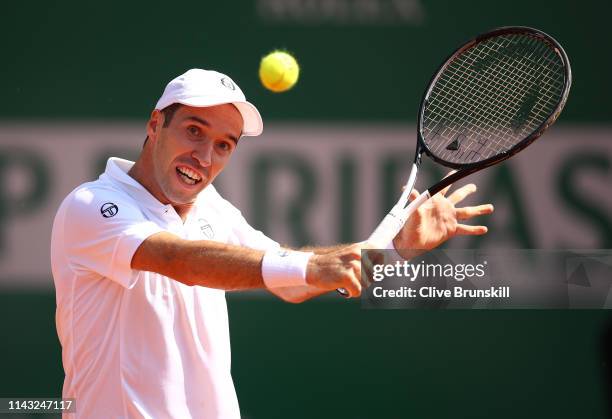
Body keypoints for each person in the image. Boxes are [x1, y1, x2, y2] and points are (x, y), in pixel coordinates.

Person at [50, 68, 494, 418]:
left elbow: (288, 277)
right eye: (194, 131)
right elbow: (177, 259)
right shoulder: (91, 205)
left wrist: (395, 248)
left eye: (223, 145)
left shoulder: (212, 208)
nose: (204, 157)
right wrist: (306, 268)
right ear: (155, 125)